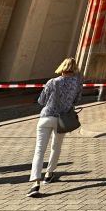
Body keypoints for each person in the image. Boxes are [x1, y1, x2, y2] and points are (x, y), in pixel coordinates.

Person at [27, 57, 83, 198]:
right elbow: (77, 100)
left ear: (62, 67)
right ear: (74, 68)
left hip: (46, 117)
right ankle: (49, 174)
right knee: (56, 146)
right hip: (62, 119)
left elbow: (41, 101)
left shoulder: (52, 82)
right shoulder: (77, 83)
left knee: (39, 150)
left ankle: (35, 184)